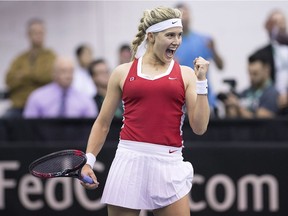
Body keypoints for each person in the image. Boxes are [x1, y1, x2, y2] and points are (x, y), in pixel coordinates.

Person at [80, 6, 210, 216]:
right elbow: (103, 123)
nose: (176, 41)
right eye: (170, 35)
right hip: (128, 160)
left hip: (169, 163)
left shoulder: (186, 75)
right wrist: (89, 161)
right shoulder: (122, 72)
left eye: (179, 35)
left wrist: (202, 82)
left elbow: (200, 127)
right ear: (151, 36)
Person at [174, 3, 224, 116]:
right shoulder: (171, 44)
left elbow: (221, 66)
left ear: (190, 16)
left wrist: (214, 50)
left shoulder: (204, 40)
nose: (183, 17)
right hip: (180, 102)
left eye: (185, 13)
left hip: (205, 98)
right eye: (179, 14)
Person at [4, 18, 56, 118]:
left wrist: (22, 74)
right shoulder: (20, 58)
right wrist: (35, 75)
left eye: (40, 32)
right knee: (5, 121)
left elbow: (47, 76)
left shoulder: (51, 56)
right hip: (20, 105)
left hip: (43, 107)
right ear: (28, 35)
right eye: (35, 32)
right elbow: (9, 79)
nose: (38, 35)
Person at [23, 57, 98, 118]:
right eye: (63, 71)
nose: (68, 76)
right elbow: (28, 126)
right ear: (53, 73)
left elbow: (91, 125)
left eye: (71, 71)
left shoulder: (85, 100)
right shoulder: (37, 97)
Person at [222, 51, 279, 118]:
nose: (251, 77)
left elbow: (262, 121)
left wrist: (238, 107)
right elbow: (232, 118)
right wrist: (229, 106)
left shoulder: (272, 94)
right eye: (249, 73)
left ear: (266, 69)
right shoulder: (245, 93)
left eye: (255, 73)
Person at [254, 9, 288, 115]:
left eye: (281, 23)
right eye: (275, 23)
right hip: (271, 101)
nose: (279, 27)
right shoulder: (262, 54)